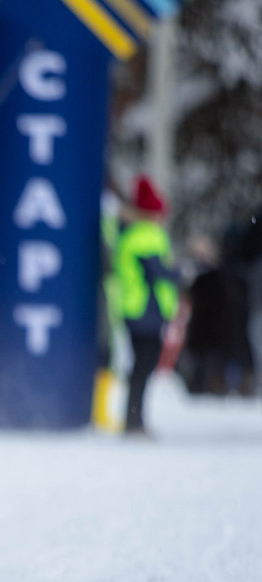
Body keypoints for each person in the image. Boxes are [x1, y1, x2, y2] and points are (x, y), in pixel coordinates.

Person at [114, 174, 179, 436]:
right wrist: (178, 273)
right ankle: (134, 421)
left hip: (135, 308)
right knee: (144, 366)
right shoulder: (148, 235)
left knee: (140, 366)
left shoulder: (129, 234)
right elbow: (157, 272)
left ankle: (133, 419)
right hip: (147, 310)